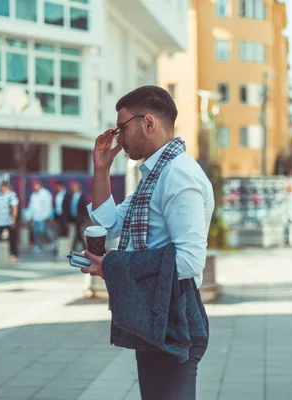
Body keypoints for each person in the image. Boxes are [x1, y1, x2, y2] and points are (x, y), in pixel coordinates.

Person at [81, 85, 215, 399]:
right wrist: (101, 170)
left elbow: (189, 261)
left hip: (176, 315)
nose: (118, 137)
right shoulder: (155, 176)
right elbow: (108, 224)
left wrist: (113, 265)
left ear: (149, 123)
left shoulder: (179, 175)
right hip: (158, 313)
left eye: (122, 127)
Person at [0, 181, 19, 262]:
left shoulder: (12, 196)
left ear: (7, 187)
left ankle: (14, 255)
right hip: (0, 221)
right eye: (1, 187)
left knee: (12, 239)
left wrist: (13, 220)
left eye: (3, 186)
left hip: (9, 220)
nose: (2, 188)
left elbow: (14, 208)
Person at [29, 179, 55, 253]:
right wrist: (30, 216)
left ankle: (51, 242)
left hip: (43, 216)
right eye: (33, 186)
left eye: (36, 185)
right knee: (36, 232)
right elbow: (31, 206)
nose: (34, 187)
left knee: (43, 231)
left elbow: (48, 206)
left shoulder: (45, 193)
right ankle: (38, 246)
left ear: (39, 185)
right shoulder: (33, 194)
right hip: (35, 216)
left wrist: (47, 216)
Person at [68, 181, 88, 252]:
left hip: (80, 219)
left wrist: (86, 219)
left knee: (79, 233)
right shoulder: (71, 197)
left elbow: (85, 209)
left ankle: (81, 248)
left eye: (74, 187)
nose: (72, 188)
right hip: (73, 218)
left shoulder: (82, 197)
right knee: (77, 233)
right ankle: (80, 248)